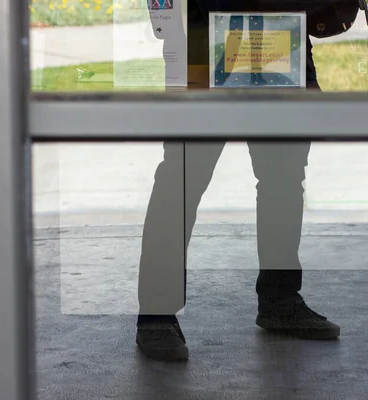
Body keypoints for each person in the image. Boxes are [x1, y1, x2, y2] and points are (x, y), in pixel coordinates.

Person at [136, 0, 340, 362]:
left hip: (277, 28)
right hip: (204, 31)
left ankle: (280, 300)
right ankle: (156, 314)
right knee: (184, 174)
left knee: (284, 174)